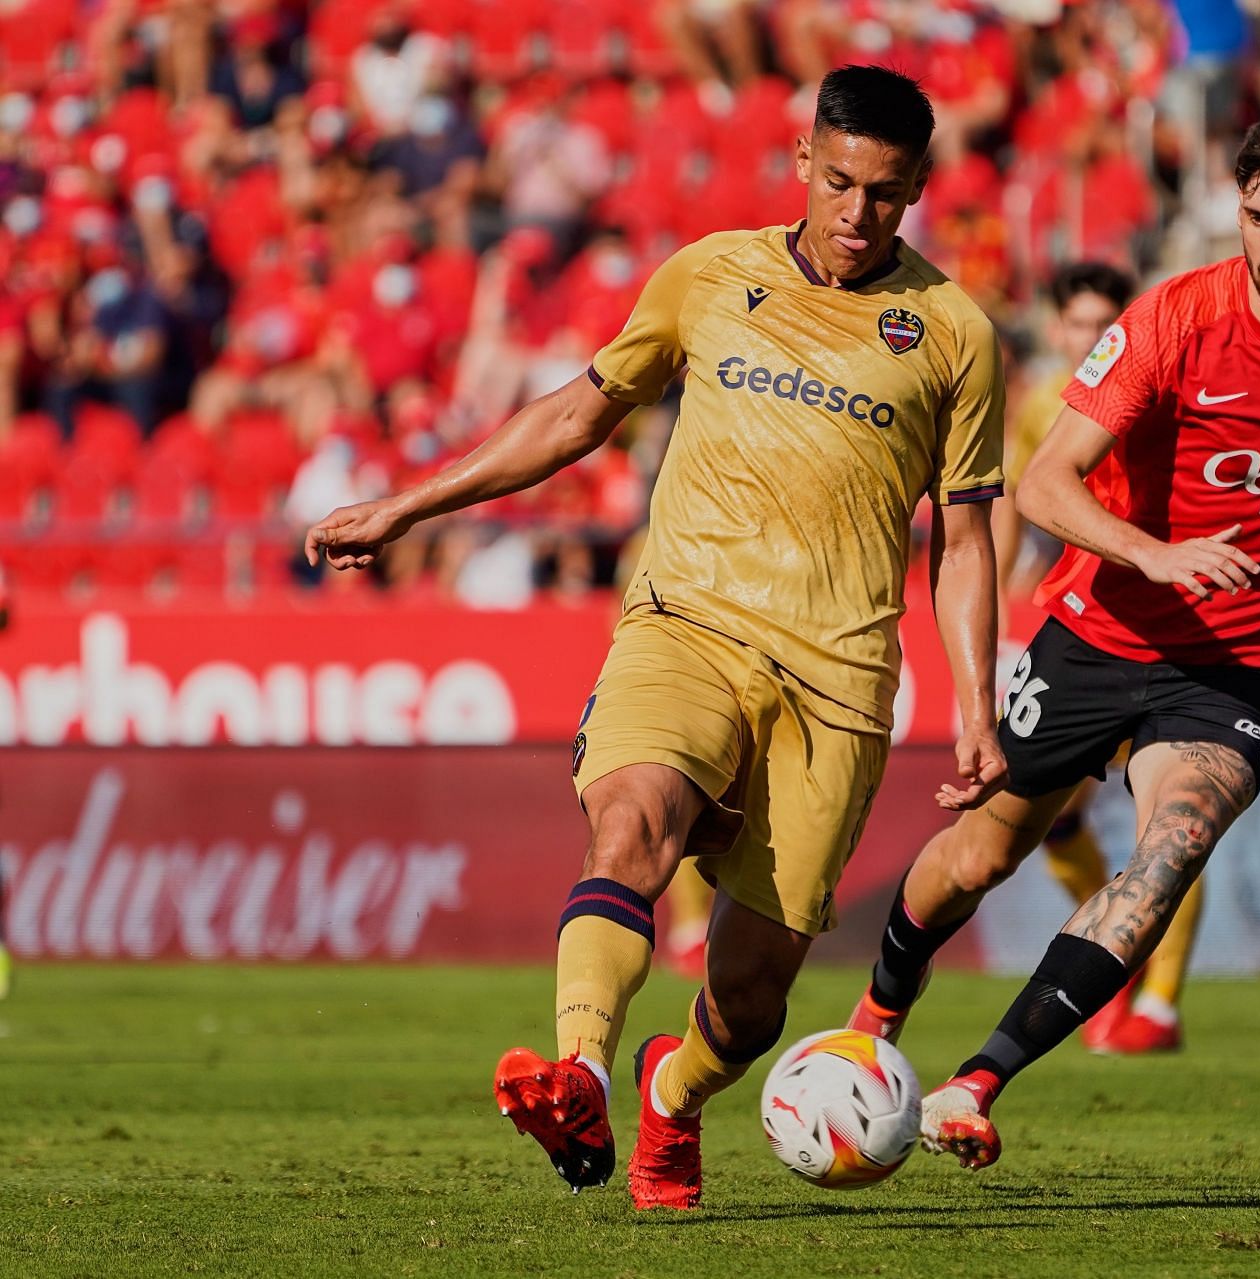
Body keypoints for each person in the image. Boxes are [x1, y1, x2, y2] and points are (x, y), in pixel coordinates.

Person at [303, 67, 1007, 1211]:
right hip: (686, 619)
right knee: (630, 819)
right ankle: (577, 1067)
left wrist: (977, 707)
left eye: (884, 194)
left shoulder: (951, 335)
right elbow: (582, 410)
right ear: (801, 160)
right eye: (837, 182)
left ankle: (670, 1096)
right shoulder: (709, 276)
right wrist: (406, 505)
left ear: (918, 188)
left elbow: (966, 540)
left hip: (838, 677)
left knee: (751, 995)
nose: (855, 214)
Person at [846, 102, 1260, 1169]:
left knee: (1171, 851)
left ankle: (978, 1080)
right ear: (1238, 210)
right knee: (979, 855)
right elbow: (1044, 484)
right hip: (1099, 633)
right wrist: (1154, 553)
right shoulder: (1175, 319)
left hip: (1237, 665)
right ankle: (874, 1026)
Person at [989, 260, 1208, 1055]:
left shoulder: (1160, 391)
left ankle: (1160, 1005)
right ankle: (1118, 959)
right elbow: (1016, 500)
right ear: (1057, 331)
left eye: (1101, 325)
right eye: (1076, 325)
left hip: (1158, 630)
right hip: (1078, 623)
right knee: (1053, 823)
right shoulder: (1039, 407)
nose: (1089, 339)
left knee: (1173, 820)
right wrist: (1003, 592)